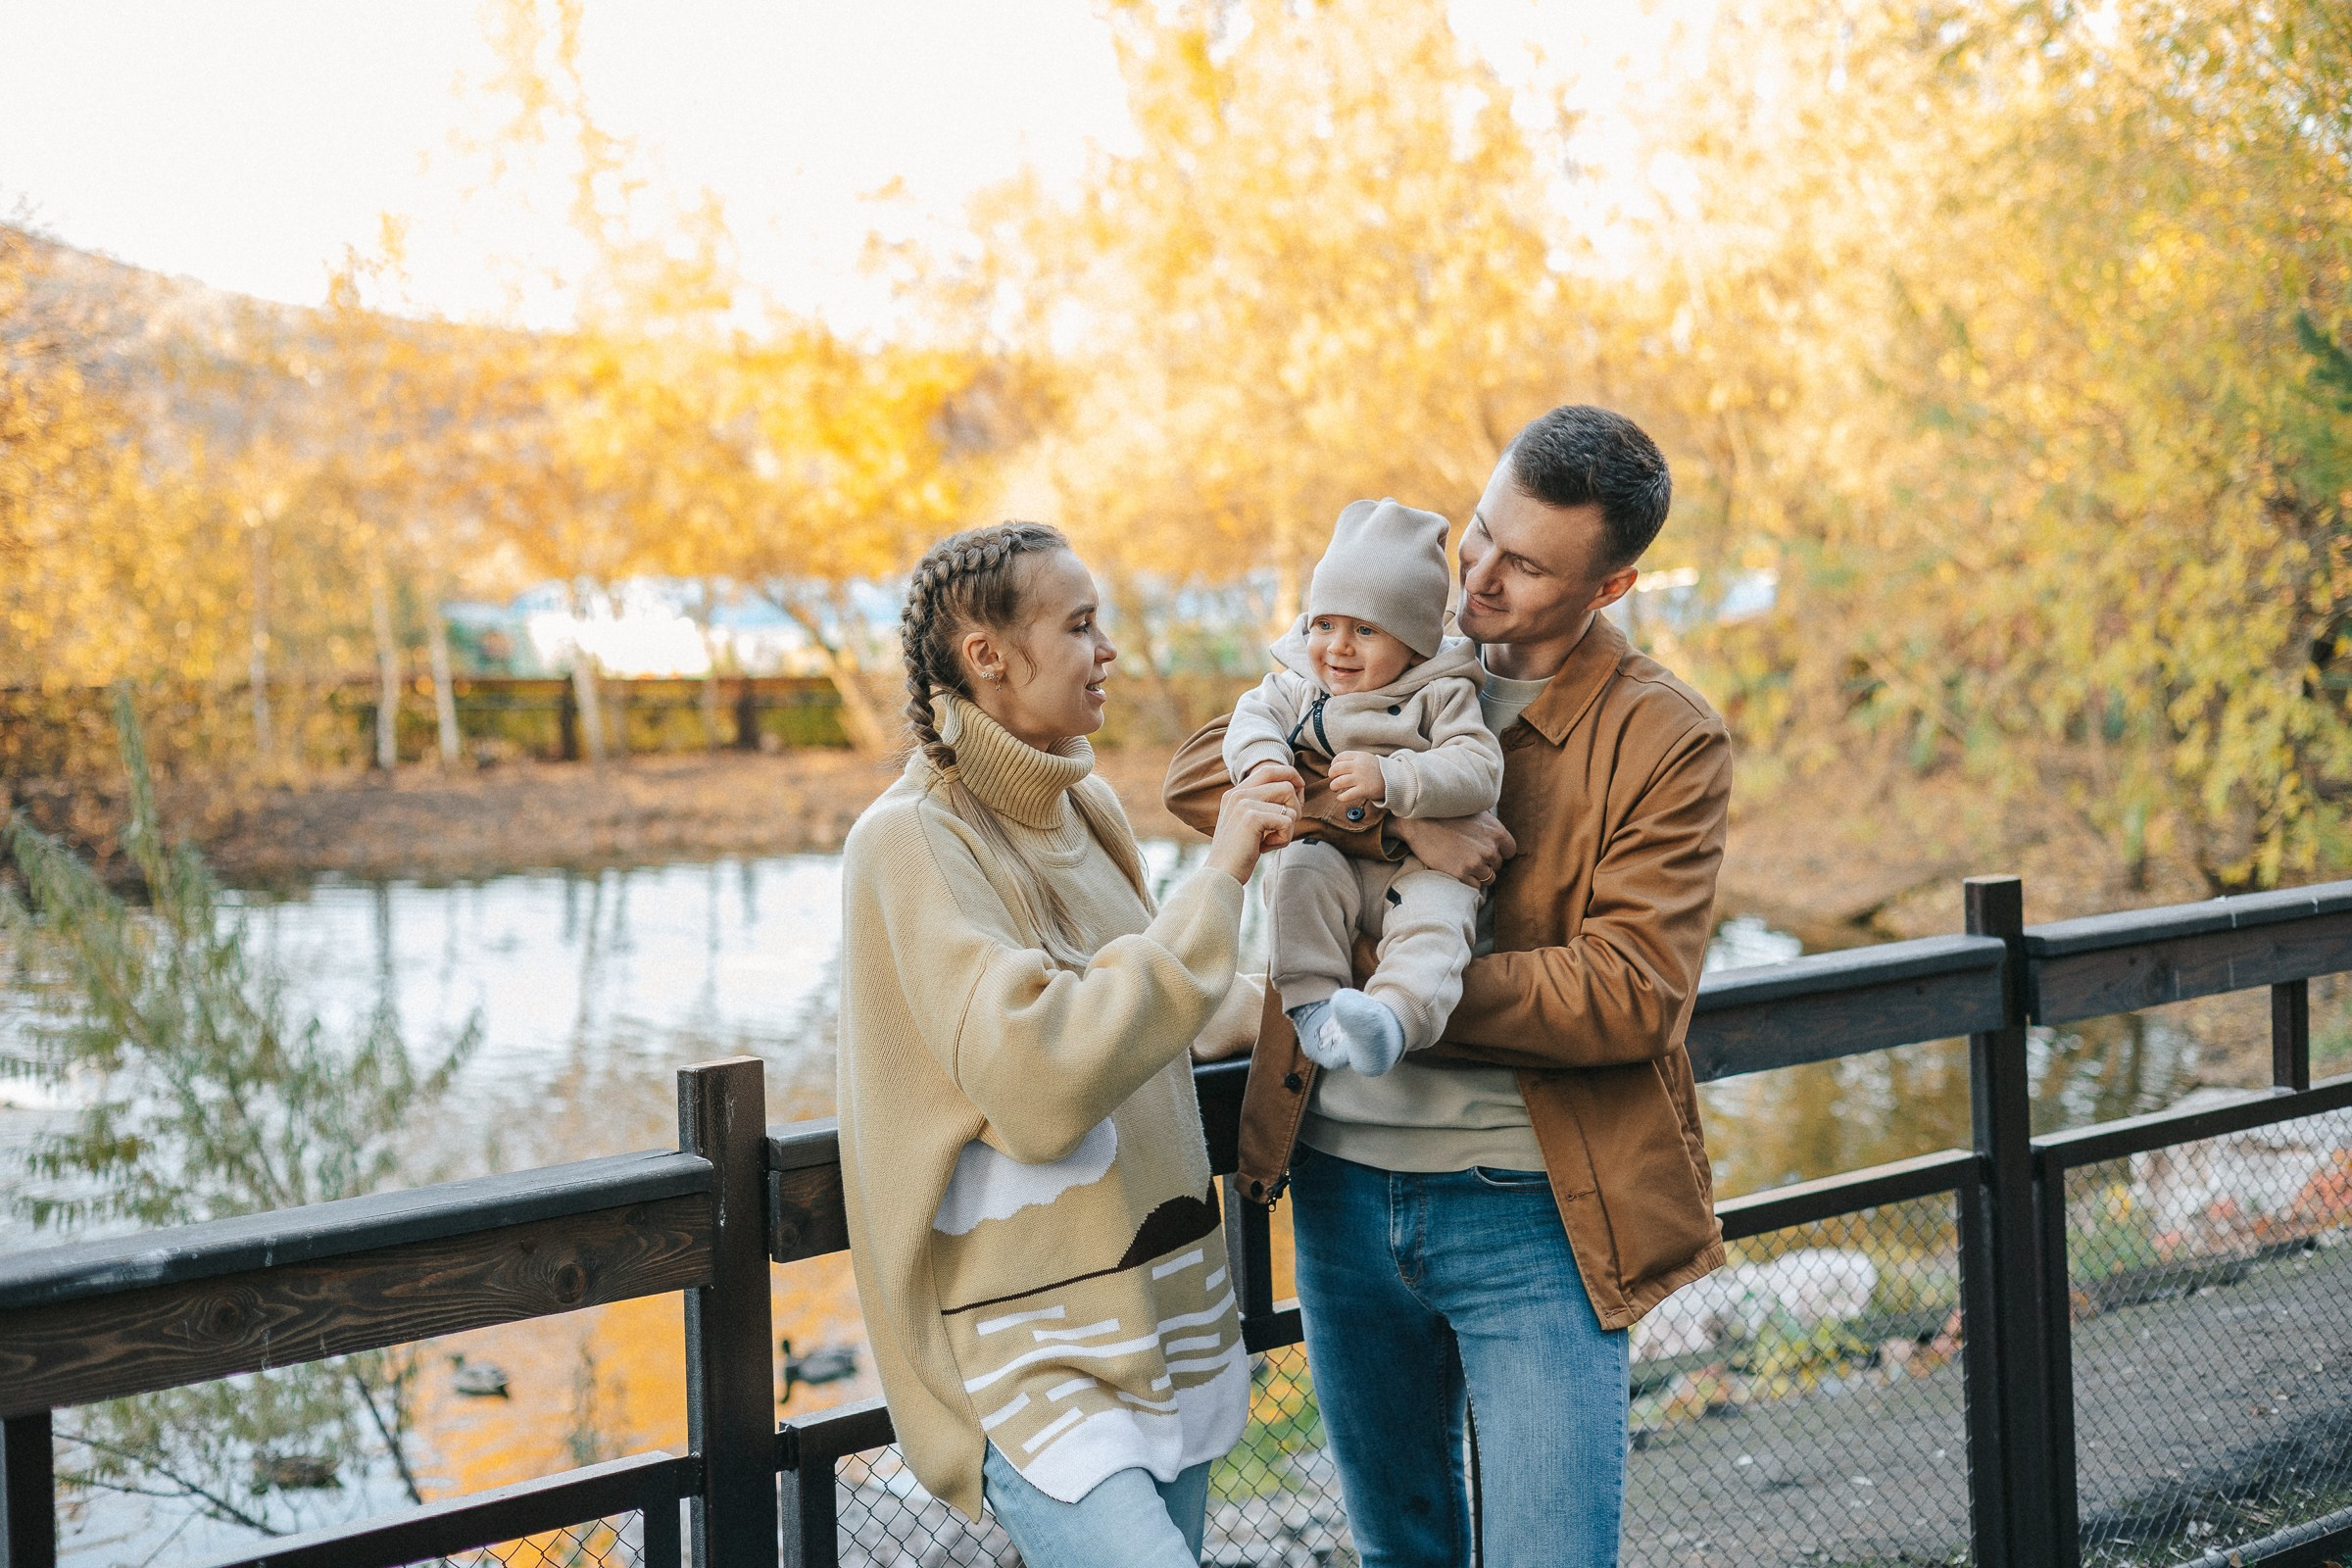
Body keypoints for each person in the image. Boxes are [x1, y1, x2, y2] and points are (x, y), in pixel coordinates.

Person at [1165, 406, 1733, 1566]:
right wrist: (1387, 813)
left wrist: (1390, 997)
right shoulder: (1395, 635)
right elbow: (1196, 777)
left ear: (1610, 585)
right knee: (1400, 1554)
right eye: (1481, 532)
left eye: (1525, 565)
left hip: (1533, 1212)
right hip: (1335, 1195)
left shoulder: (1665, 737)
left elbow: (1631, 994)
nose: (1478, 574)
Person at [836, 520, 1298, 1568]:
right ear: (985, 654)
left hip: (1161, 1301)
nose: (1109, 652)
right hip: (1026, 1345)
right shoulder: (909, 839)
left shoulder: (1081, 804)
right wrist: (1221, 875)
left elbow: (1156, 1014)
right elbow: (1041, 1071)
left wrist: (1346, 993)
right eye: (1081, 626)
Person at [1223, 497, 1503, 1075]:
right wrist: (1262, 763)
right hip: (1336, 862)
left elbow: (1479, 766)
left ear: (1415, 641)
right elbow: (1251, 717)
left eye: (1365, 629)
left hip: (1425, 869)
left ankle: (1392, 1021)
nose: (1337, 646)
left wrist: (1394, 779)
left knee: (1437, 926)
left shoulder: (1441, 692)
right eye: (1323, 624)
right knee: (1298, 870)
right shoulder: (1302, 684)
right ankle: (1316, 1012)